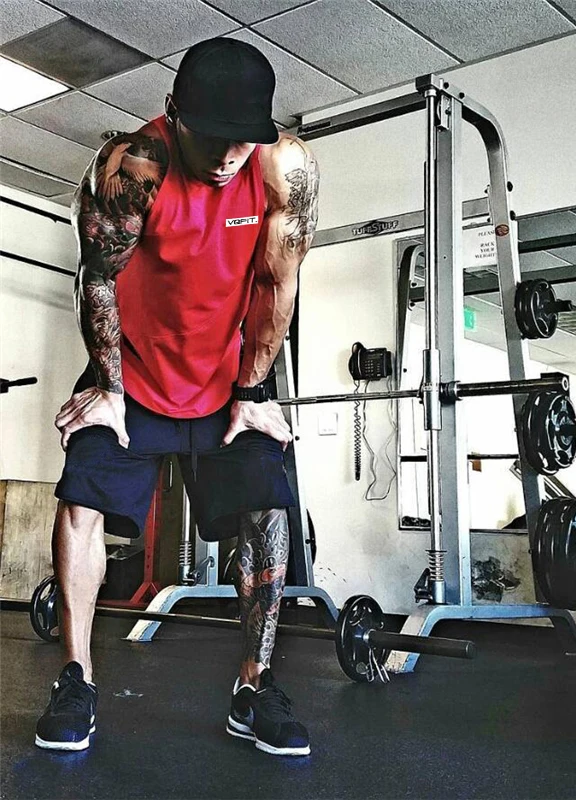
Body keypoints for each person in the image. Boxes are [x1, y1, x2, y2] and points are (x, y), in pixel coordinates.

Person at [34, 37, 319, 757]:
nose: (227, 156)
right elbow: (98, 278)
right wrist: (107, 386)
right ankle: (76, 679)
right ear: (173, 113)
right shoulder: (134, 167)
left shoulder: (282, 169)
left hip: (226, 381)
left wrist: (252, 389)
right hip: (131, 376)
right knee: (81, 502)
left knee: (268, 506)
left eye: (241, 140)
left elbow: (277, 283)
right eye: (211, 137)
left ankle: (253, 687)